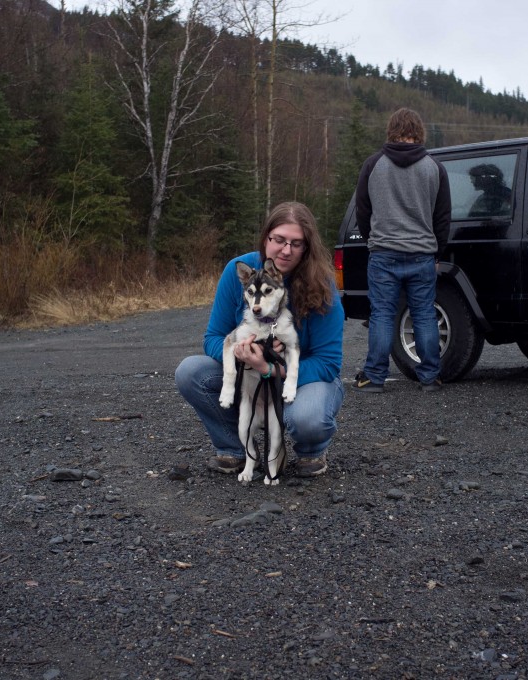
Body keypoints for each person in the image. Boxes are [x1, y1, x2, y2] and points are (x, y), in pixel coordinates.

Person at [175, 201, 344, 478]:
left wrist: (273, 369)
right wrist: (243, 354)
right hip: (249, 373)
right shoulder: (238, 271)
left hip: (302, 378)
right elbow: (214, 337)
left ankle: (311, 451)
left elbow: (328, 363)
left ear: (307, 248)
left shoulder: (321, 283)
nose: (286, 250)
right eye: (279, 240)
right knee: (191, 372)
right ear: (266, 237)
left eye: (296, 243)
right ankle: (235, 448)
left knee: (308, 417)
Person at [352, 107, 451, 393]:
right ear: (418, 132)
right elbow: (443, 217)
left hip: (383, 253)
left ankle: (374, 377)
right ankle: (430, 377)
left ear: (391, 130)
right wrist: (437, 254)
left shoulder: (373, 165)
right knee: (423, 314)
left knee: (382, 314)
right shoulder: (435, 167)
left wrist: (376, 240)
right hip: (422, 254)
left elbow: (362, 210)